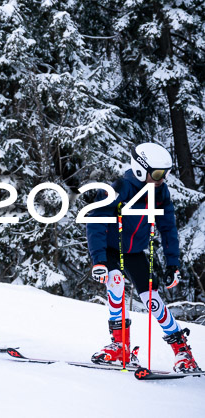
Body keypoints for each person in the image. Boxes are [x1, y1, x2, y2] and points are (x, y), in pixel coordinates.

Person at [87, 142, 200, 373]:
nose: (162, 179)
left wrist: (172, 264)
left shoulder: (160, 192)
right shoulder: (118, 188)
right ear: (140, 169)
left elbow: (168, 229)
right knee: (115, 281)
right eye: (157, 173)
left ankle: (183, 353)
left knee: (152, 299)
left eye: (166, 174)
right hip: (109, 249)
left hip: (134, 252)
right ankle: (120, 346)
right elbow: (95, 221)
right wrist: (99, 260)